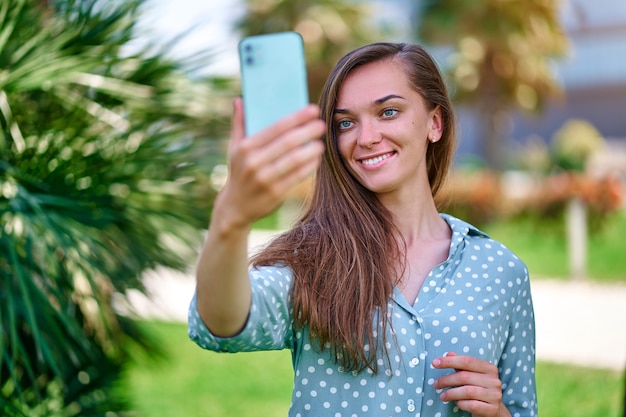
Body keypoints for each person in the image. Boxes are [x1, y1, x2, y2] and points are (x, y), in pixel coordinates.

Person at [188, 42, 537, 417]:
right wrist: (231, 220)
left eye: (388, 112)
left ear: (435, 123)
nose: (366, 137)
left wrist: (498, 410)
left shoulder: (502, 271)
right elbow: (221, 323)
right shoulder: (313, 259)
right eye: (346, 123)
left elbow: (521, 410)